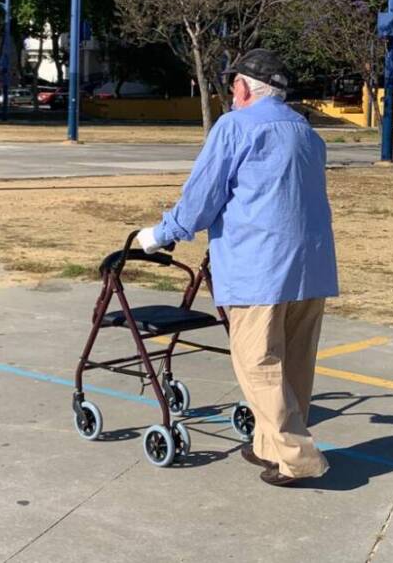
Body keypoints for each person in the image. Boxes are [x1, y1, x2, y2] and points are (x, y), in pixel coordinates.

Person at [137, 49, 338, 487]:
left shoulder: (235, 126)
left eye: (233, 88)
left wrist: (160, 234)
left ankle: (298, 457)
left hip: (260, 268)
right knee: (295, 361)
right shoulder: (306, 132)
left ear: (244, 88)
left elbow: (201, 199)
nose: (231, 95)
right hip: (312, 266)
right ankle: (271, 445)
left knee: (258, 362)